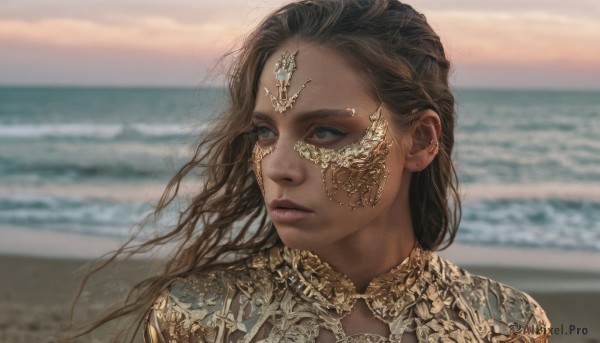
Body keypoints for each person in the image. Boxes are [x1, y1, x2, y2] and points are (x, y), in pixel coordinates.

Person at [75, 0, 551, 342]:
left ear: (421, 140)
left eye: (325, 132)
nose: (279, 166)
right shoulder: (200, 319)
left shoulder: (507, 325)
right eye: (264, 132)